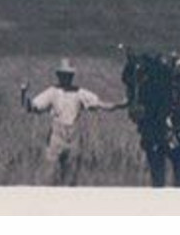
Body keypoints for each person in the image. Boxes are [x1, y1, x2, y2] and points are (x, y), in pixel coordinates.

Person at [21, 58, 124, 186]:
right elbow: (31, 107)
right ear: (59, 76)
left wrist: (119, 105)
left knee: (71, 177)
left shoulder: (79, 92)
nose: (66, 78)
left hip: (74, 135)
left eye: (69, 75)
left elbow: (100, 104)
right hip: (57, 135)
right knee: (49, 174)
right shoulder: (52, 92)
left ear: (72, 76)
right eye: (64, 75)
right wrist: (23, 93)